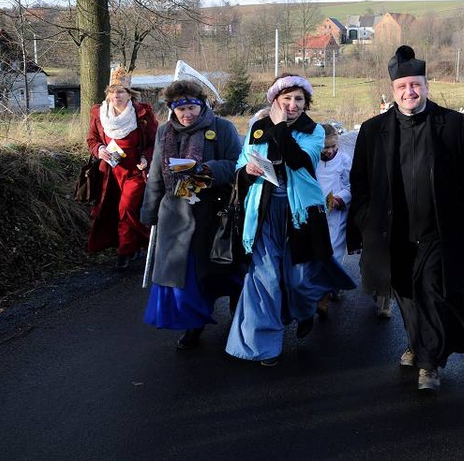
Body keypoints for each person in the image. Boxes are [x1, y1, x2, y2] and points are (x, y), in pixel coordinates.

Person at [347, 45, 464, 392]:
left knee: (433, 292)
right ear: (393, 91)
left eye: (416, 85)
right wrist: (365, 218)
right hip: (393, 231)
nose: (410, 92)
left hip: (438, 229)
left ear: (426, 85)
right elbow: (359, 179)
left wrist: (463, 215)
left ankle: (429, 364)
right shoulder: (373, 129)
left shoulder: (451, 123)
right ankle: (418, 344)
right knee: (406, 294)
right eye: (402, 86)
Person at [225, 74, 355, 366]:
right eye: (287, 99)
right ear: (275, 100)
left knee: (300, 281)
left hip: (301, 215)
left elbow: (302, 161)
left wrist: (281, 127)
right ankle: (264, 347)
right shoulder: (258, 128)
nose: (293, 105)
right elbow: (241, 165)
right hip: (264, 212)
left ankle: (306, 309)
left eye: (299, 100)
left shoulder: (313, 131)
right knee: (265, 278)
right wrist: (247, 171)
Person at [140, 79, 243, 349]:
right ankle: (193, 323)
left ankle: (238, 313)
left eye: (191, 108)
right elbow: (155, 178)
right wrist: (150, 213)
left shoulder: (222, 128)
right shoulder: (164, 133)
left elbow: (238, 165)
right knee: (184, 276)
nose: (186, 114)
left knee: (221, 270)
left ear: (202, 105)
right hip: (175, 215)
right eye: (180, 109)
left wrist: (208, 169)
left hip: (214, 214)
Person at [86, 67, 158, 269]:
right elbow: (92, 139)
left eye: (121, 91)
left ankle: (124, 252)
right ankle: (135, 246)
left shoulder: (143, 114)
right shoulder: (99, 114)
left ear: (129, 94)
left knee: (126, 208)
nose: (116, 95)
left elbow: (155, 142)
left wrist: (146, 157)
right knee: (114, 211)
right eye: (112, 91)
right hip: (109, 172)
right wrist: (99, 149)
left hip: (135, 171)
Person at [315, 122, 353, 318]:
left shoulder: (344, 160)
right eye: (325, 147)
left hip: (337, 214)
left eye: (333, 146)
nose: (329, 151)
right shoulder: (312, 160)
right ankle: (329, 287)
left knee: (334, 254)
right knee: (317, 254)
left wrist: (341, 198)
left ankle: (324, 296)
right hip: (315, 213)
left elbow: (351, 185)